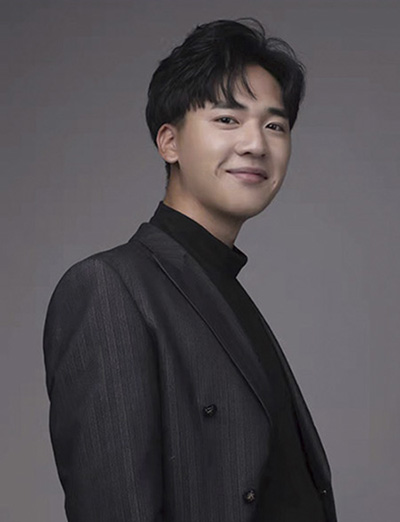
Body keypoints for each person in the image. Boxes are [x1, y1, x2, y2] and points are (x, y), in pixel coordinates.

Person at [43, 18, 338, 522]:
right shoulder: (110, 288)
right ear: (170, 143)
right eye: (227, 119)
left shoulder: (223, 290)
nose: (256, 144)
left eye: (275, 125)